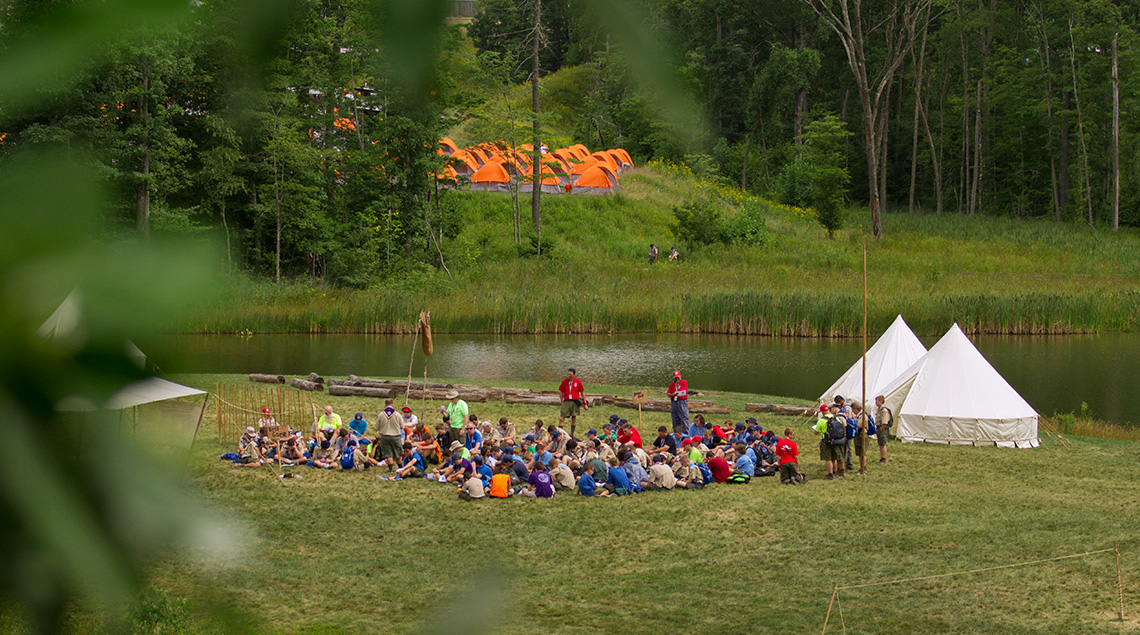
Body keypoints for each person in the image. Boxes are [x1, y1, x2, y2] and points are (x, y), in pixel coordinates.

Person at [375, 399, 404, 472]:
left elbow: (377, 427)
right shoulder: (397, 414)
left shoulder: (381, 414)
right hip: (395, 436)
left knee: (388, 453)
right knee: (398, 453)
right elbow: (402, 426)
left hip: (385, 436)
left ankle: (390, 469)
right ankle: (400, 468)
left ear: (385, 405)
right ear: (392, 404)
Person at [558, 368, 587, 437]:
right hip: (567, 401)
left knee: (573, 418)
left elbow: (582, 392)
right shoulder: (564, 381)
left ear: (574, 374)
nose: (569, 376)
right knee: (562, 418)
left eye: (570, 374)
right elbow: (561, 392)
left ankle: (572, 434)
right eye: (568, 374)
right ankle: (559, 433)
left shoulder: (578, 382)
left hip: (575, 402)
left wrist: (584, 403)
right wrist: (562, 401)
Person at [875, 395, 891, 464]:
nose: (876, 403)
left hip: (882, 428)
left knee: (882, 443)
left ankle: (884, 458)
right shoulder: (879, 410)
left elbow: (885, 421)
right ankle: (882, 458)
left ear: (881, 401)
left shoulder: (884, 411)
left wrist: (881, 429)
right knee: (880, 443)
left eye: (877, 401)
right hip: (879, 427)